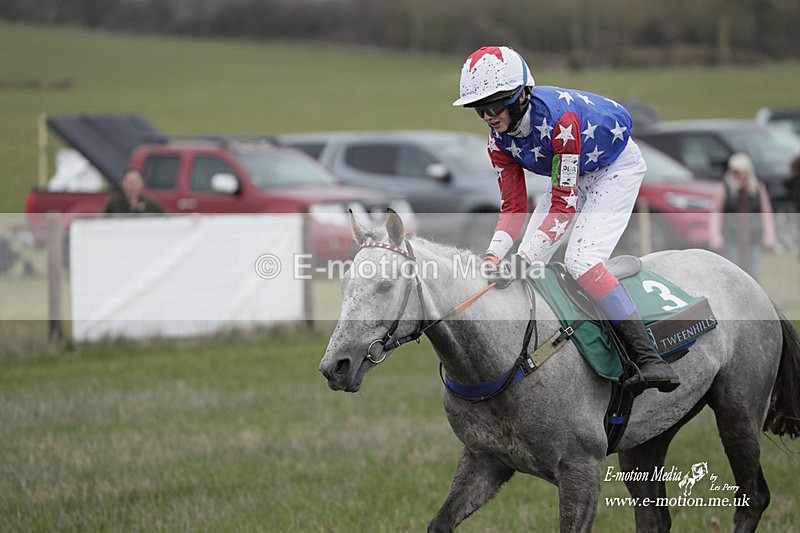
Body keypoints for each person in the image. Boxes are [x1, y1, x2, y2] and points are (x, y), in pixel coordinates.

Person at [452, 45, 679, 395]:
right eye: (480, 109)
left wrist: (522, 259)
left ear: (522, 96)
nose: (488, 116)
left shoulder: (562, 123)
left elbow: (564, 206)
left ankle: (649, 358)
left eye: (495, 105)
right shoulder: (498, 140)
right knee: (529, 266)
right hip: (572, 176)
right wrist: (493, 257)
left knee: (580, 260)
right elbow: (513, 207)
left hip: (614, 169)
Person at [709, 153, 775, 280]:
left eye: (739, 171)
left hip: (753, 237)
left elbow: (766, 212)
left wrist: (769, 235)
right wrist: (715, 236)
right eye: (734, 171)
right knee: (732, 272)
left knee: (753, 273)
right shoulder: (725, 188)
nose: (736, 175)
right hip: (731, 236)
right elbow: (715, 213)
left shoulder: (758, 188)